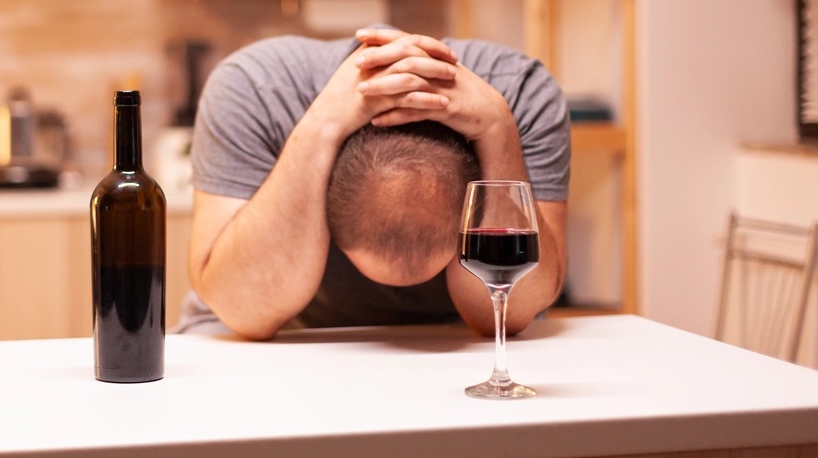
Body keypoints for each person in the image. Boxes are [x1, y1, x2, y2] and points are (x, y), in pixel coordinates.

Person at [179, 26, 570, 340]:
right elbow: (244, 312)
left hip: (456, 337)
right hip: (281, 335)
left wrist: (497, 130)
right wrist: (321, 126)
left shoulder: (521, 92)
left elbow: (508, 314)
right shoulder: (253, 87)